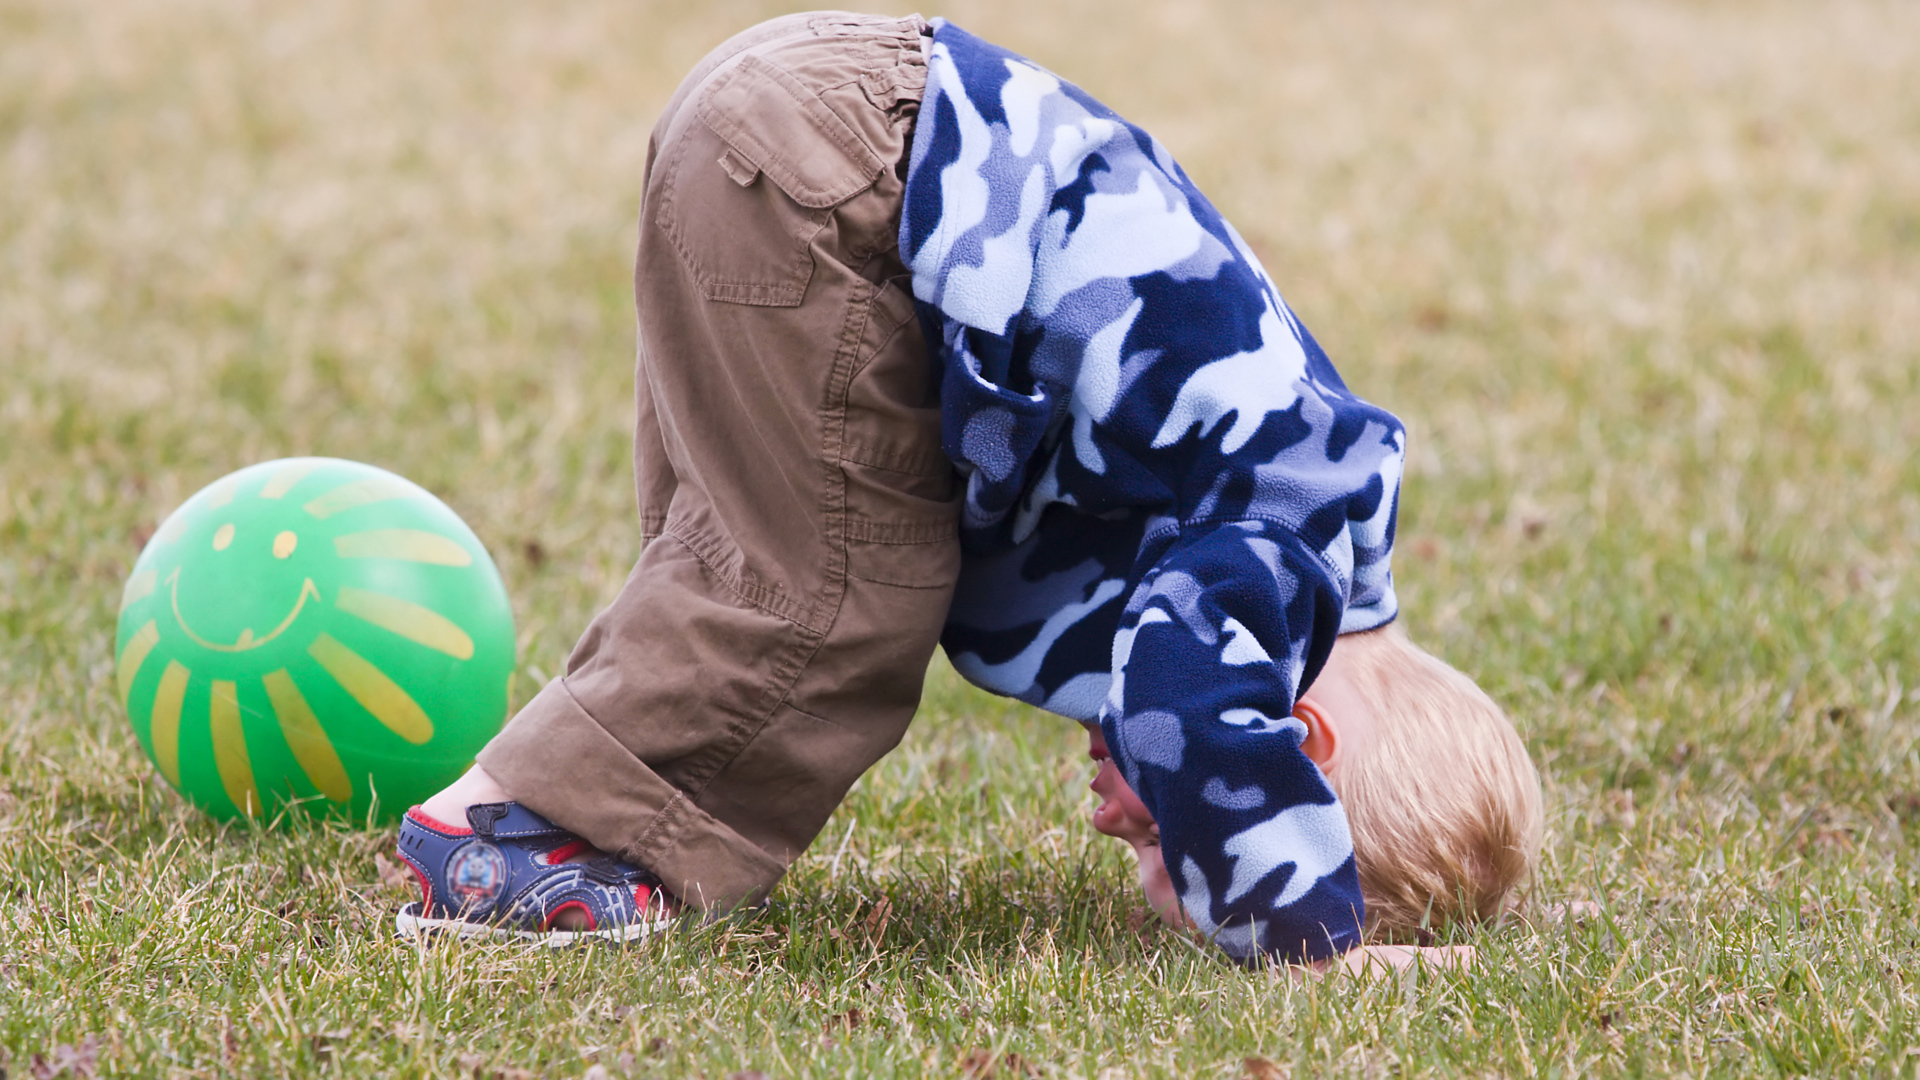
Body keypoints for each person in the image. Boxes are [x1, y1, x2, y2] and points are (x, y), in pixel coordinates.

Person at [390, 11, 1543, 970]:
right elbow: (1183, 697)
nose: (1105, 822)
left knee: (739, 551)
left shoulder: (1308, 508)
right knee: (837, 590)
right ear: (1292, 741)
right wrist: (1311, 943)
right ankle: (498, 833)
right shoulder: (1278, 556)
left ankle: (593, 820)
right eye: (1163, 847)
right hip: (851, 180)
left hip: (817, 116)